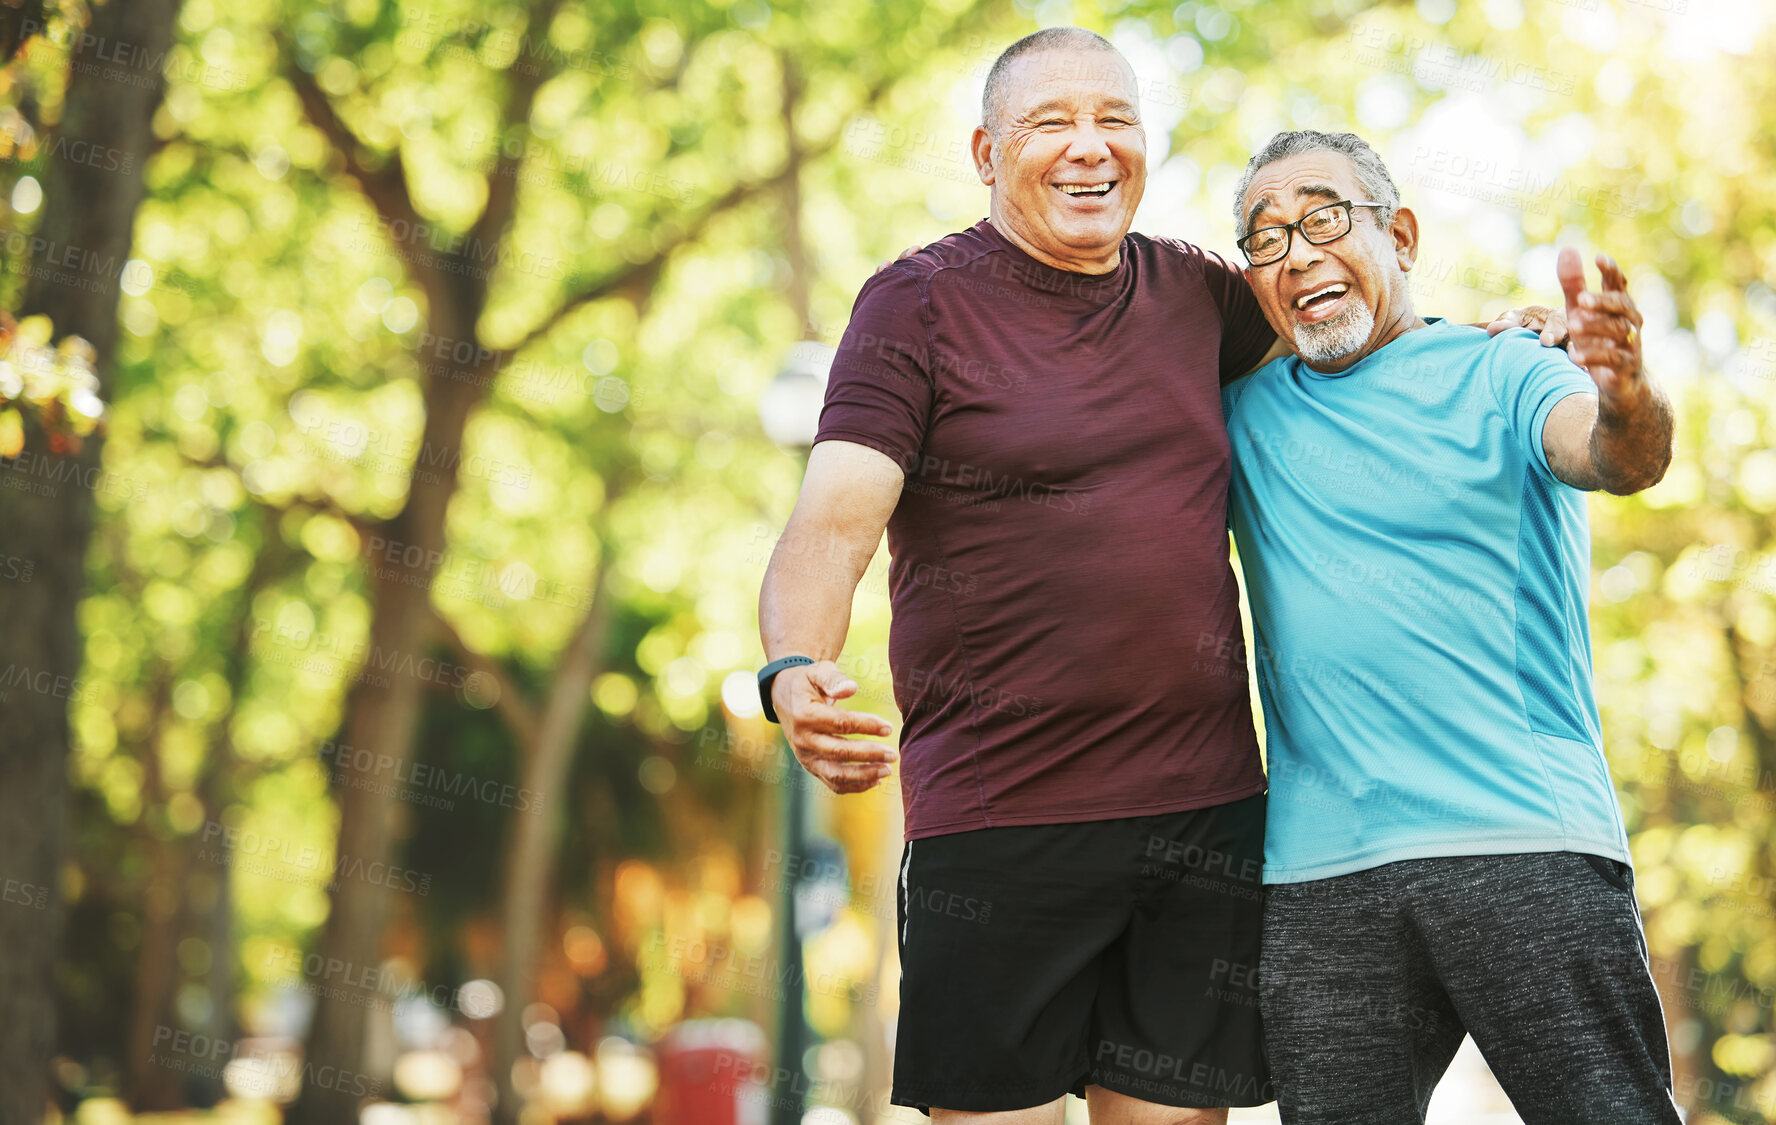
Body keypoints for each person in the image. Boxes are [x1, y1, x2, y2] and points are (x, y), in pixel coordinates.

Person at [757, 29, 1561, 1124]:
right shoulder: (917, 306)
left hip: (1206, 821)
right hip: (1002, 820)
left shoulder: (1198, 294)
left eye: (1115, 120)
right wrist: (795, 664)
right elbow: (834, 518)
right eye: (1052, 123)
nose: (1090, 148)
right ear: (987, 152)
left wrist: (1502, 333)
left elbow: (1346, 319)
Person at [1219, 129, 1680, 1124]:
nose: (1296, 253)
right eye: (1264, 238)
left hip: (1523, 845)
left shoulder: (1505, 372)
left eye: (1323, 219)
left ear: (1404, 237)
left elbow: (1615, 454)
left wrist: (1625, 391)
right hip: (1322, 878)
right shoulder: (1238, 417)